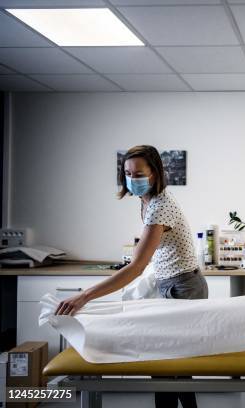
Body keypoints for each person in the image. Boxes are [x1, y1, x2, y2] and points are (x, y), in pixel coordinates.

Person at [54, 144, 207, 408]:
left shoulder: (160, 206)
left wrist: (85, 297)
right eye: (127, 173)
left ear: (155, 173)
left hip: (184, 287)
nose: (132, 179)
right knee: (168, 363)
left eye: (138, 174)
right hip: (170, 284)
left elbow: (136, 267)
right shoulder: (146, 201)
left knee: (169, 361)